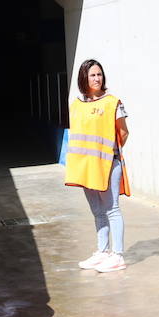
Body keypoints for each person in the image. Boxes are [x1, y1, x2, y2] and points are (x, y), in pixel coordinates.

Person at [64, 58, 130, 274]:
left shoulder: (112, 102)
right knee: (97, 211)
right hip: (86, 167)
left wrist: (109, 154)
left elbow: (123, 132)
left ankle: (118, 255)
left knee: (112, 209)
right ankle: (102, 251)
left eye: (99, 74)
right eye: (92, 75)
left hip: (108, 164)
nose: (97, 78)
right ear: (84, 78)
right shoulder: (76, 105)